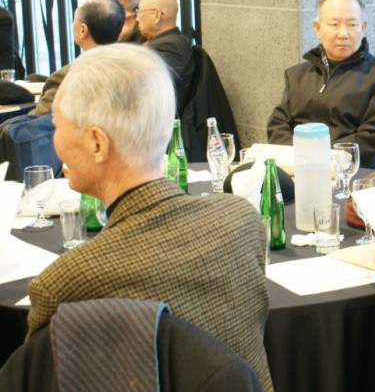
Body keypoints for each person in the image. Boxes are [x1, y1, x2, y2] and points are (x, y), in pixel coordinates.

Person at [25, 45, 274, 390]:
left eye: (56, 125)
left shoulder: (66, 283)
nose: (55, 140)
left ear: (97, 144)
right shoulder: (241, 220)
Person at [267, 0, 375, 169]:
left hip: (353, 173)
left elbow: (374, 139)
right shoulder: (296, 75)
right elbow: (277, 125)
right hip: (297, 168)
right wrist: (300, 158)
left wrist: (320, 158)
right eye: (334, 24)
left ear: (363, 28)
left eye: (352, 25)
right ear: (317, 28)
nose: (343, 34)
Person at [29, 0, 124, 116]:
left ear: (83, 30)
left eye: (74, 20)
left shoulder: (66, 77)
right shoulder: (134, 67)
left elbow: (40, 120)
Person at [136, 0, 194, 111]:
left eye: (139, 12)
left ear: (157, 15)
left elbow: (145, 89)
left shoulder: (170, 47)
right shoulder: (170, 42)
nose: (137, 19)